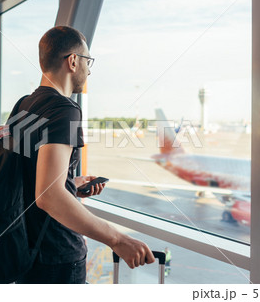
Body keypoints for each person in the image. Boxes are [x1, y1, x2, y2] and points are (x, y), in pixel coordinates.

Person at [14, 26, 155, 284]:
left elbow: (26, 179)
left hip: (24, 248)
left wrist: (70, 186)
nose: (89, 70)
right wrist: (118, 239)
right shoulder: (64, 109)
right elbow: (48, 196)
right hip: (55, 255)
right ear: (73, 61)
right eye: (88, 61)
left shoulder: (25, 104)